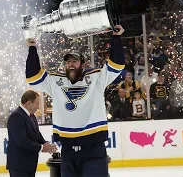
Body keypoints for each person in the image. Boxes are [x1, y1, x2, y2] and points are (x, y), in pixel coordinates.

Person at [25, 25, 125, 177]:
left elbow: (116, 65)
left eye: (75, 61)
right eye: (68, 62)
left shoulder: (96, 78)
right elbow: (33, 77)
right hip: (68, 150)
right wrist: (32, 47)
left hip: (93, 148)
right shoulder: (56, 81)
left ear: (83, 64)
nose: (71, 64)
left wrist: (116, 37)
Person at [6, 90, 57, 177]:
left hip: (30, 164)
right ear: (29, 103)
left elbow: (36, 133)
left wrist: (45, 144)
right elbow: (22, 141)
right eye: (37, 104)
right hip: (19, 165)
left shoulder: (31, 115)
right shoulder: (16, 116)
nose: (38, 107)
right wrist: (42, 147)